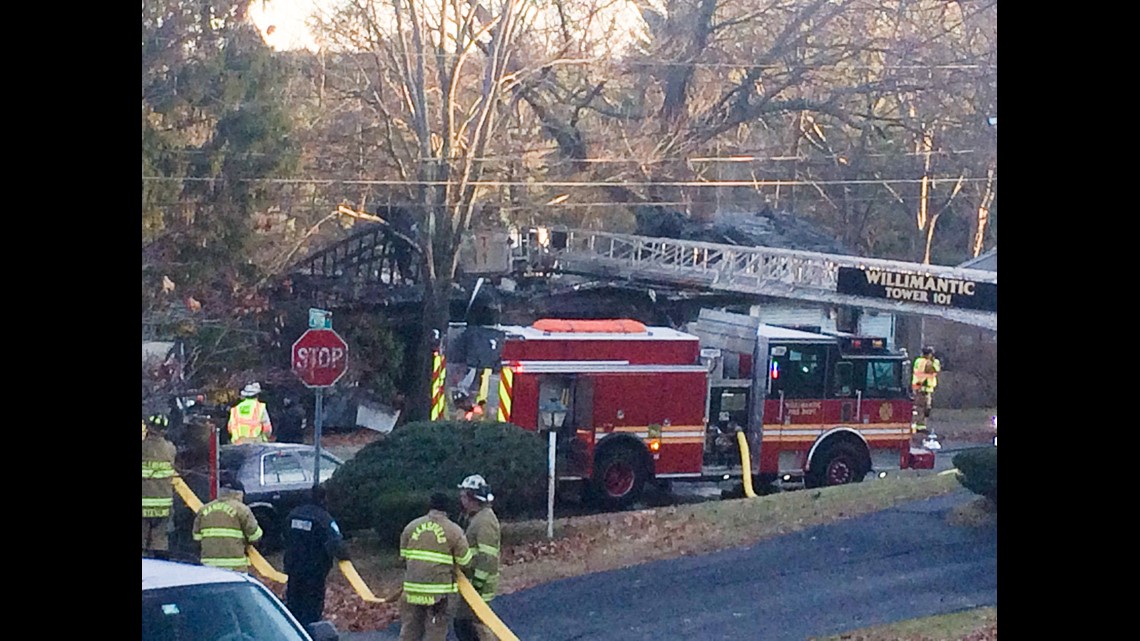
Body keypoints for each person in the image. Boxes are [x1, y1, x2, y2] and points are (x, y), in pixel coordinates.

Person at [398, 493, 473, 641]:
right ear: (448, 509)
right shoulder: (454, 531)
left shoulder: (411, 527)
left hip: (412, 590)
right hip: (439, 594)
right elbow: (466, 562)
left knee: (410, 630)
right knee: (436, 632)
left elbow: (403, 559)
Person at [283, 485, 350, 627]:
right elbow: (337, 545)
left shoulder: (293, 515)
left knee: (293, 605)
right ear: (323, 499)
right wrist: (345, 556)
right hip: (314, 572)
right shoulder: (323, 519)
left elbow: (285, 537)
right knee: (311, 610)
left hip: (293, 569)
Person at [453, 475, 501, 641]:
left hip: (478, 587)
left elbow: (487, 557)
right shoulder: (476, 518)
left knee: (473, 627)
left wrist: (477, 585)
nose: (461, 499)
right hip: (472, 585)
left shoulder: (485, 521)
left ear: (473, 498)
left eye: (464, 495)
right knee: (464, 624)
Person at [192, 480, 263, 572]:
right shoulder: (242, 510)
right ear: (239, 494)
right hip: (235, 567)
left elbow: (197, 538)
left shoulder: (203, 510)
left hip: (208, 567)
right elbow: (255, 537)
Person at [142, 413, 178, 560]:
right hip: (163, 506)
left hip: (143, 506)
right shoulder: (170, 449)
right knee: (160, 540)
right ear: (164, 430)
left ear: (149, 428)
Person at [912, 346, 943, 449]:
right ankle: (920, 427)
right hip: (922, 389)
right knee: (922, 408)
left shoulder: (919, 361)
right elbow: (934, 369)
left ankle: (919, 426)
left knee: (921, 408)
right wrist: (934, 361)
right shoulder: (926, 362)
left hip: (920, 388)